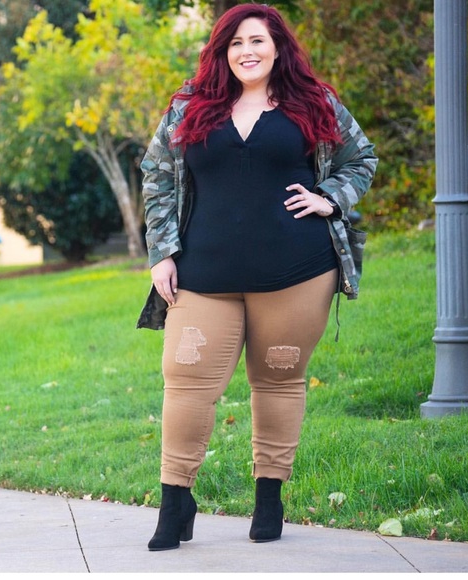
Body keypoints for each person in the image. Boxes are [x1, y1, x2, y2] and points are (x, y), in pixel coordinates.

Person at [137, 3, 377, 551]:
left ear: (277, 48)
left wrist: (329, 198)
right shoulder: (189, 106)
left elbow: (360, 158)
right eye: (236, 43)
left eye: (258, 41)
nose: (247, 51)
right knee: (185, 380)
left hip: (297, 272)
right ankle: (175, 501)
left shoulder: (314, 103)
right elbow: (156, 176)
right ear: (222, 52)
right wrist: (162, 252)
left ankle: (269, 499)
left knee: (278, 382)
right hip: (202, 274)